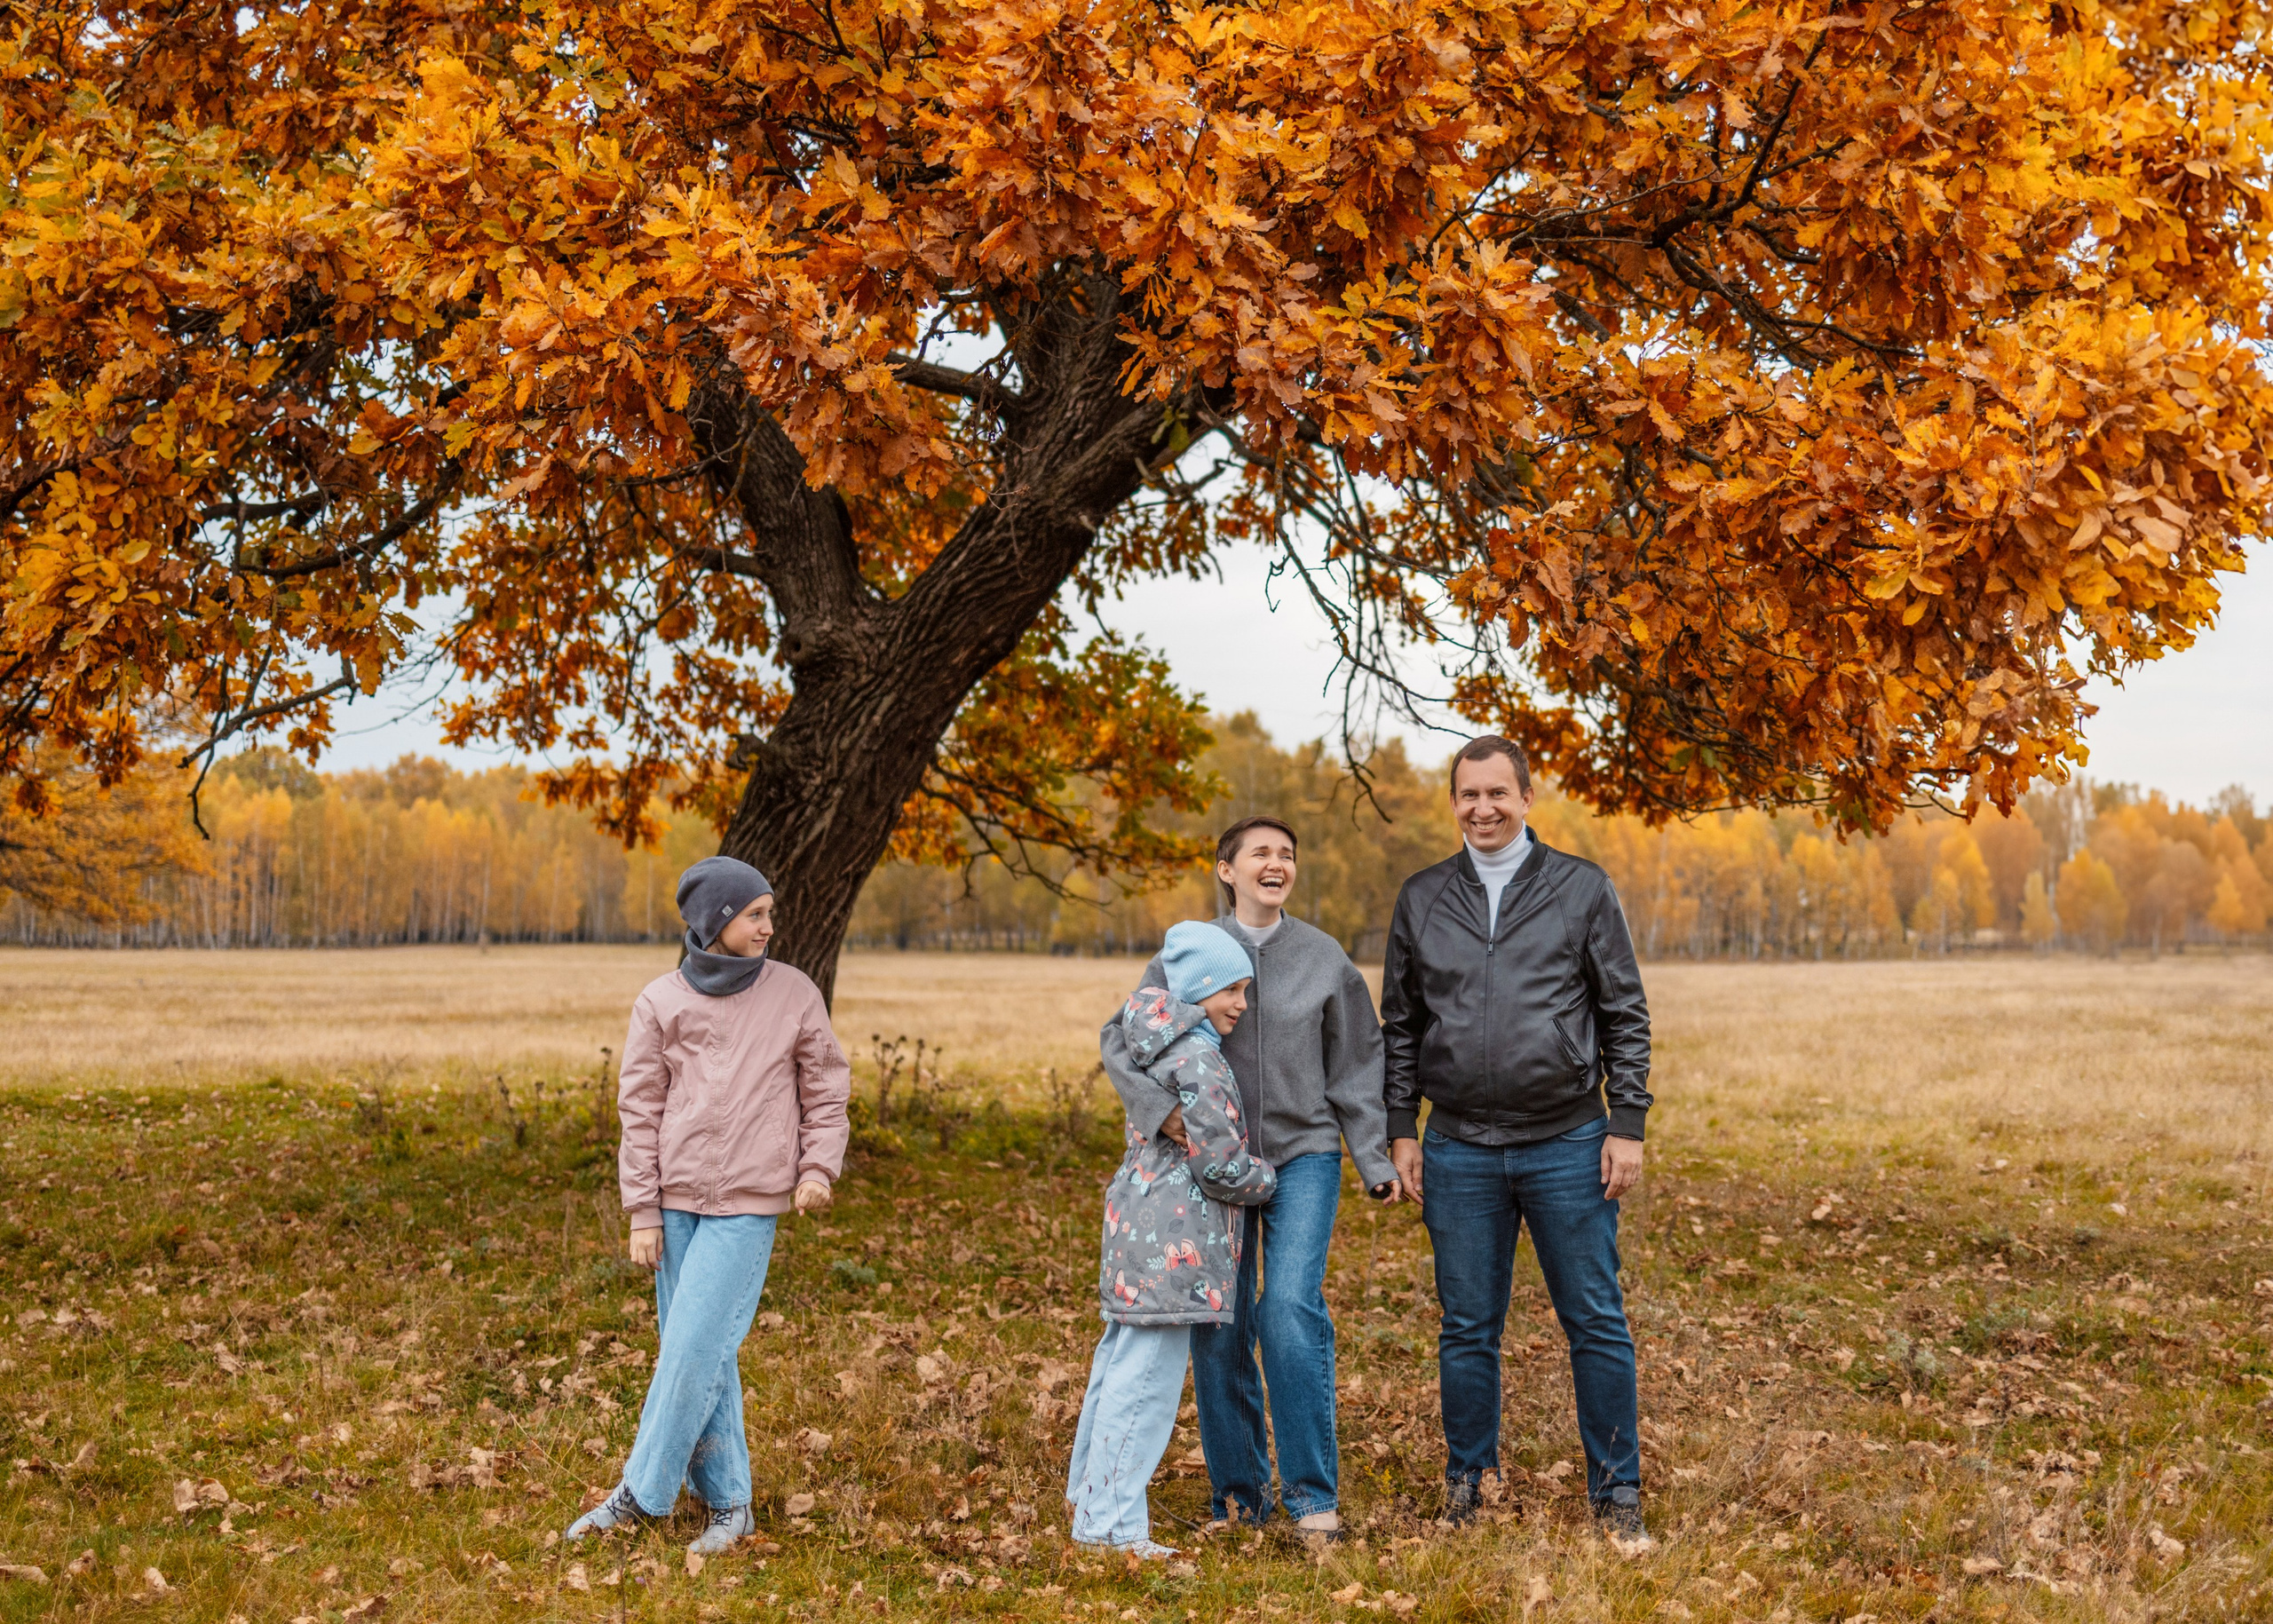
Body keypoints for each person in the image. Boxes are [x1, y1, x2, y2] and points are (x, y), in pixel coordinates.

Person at [1380, 736, 1656, 1547]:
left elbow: (1624, 1013)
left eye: (1498, 793)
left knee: (1596, 1320)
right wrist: (1403, 1128)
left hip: (1568, 1139)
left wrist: (1626, 1123)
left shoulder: (1580, 888)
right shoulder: (1424, 896)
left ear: (1527, 797)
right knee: (1468, 1326)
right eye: (1468, 795)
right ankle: (1469, 1481)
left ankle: (1617, 1493)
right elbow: (1401, 1024)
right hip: (1459, 1146)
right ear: (1454, 802)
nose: (1483, 809)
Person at [1098, 816, 1397, 1538]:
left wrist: (1376, 1158)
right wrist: (1161, 1110)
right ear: (1226, 869)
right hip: (1208, 1166)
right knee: (1220, 1320)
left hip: (1302, 1155)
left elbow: (1359, 1063)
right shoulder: (1190, 950)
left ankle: (1312, 1498)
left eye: (1288, 853)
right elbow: (1123, 1037)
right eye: (1261, 852)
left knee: (1289, 1309)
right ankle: (1238, 1498)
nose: (1277, 862)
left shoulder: (1323, 958)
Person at [566, 856, 851, 1555]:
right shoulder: (660, 1001)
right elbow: (639, 1109)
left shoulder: (793, 992)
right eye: (754, 914)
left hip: (750, 1202)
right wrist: (642, 1210)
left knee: (694, 1346)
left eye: (768, 912)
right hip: (674, 1203)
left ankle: (640, 1494)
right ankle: (731, 1505)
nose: (768, 926)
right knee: (701, 1354)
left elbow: (826, 1087)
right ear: (716, 921)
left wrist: (818, 1167)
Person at [1068, 921, 1279, 1557]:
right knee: (1147, 1385)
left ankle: (1088, 1497)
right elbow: (1218, 1164)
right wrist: (1266, 1178)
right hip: (1176, 1243)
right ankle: (1112, 1529)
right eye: (1231, 990)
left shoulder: (1152, 1046)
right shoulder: (1201, 1058)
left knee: (1117, 1365)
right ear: (1197, 989)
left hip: (1135, 1225)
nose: (1241, 1003)